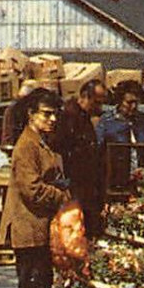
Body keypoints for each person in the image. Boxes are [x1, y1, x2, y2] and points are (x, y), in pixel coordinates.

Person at [2, 88, 68, 288]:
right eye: (46, 114)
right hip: (27, 225)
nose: (52, 119)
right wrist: (61, 196)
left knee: (42, 284)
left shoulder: (42, 141)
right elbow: (31, 189)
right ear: (31, 114)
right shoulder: (26, 145)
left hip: (41, 225)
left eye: (55, 114)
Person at [50, 78, 108, 240]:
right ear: (85, 97)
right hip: (75, 184)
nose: (99, 108)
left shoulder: (84, 117)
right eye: (96, 102)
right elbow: (60, 148)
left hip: (85, 184)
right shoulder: (69, 117)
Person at [96, 80, 144, 184]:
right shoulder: (107, 121)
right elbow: (98, 151)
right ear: (120, 101)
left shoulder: (143, 120)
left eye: (136, 103)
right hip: (115, 180)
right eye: (129, 103)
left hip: (141, 180)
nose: (133, 107)